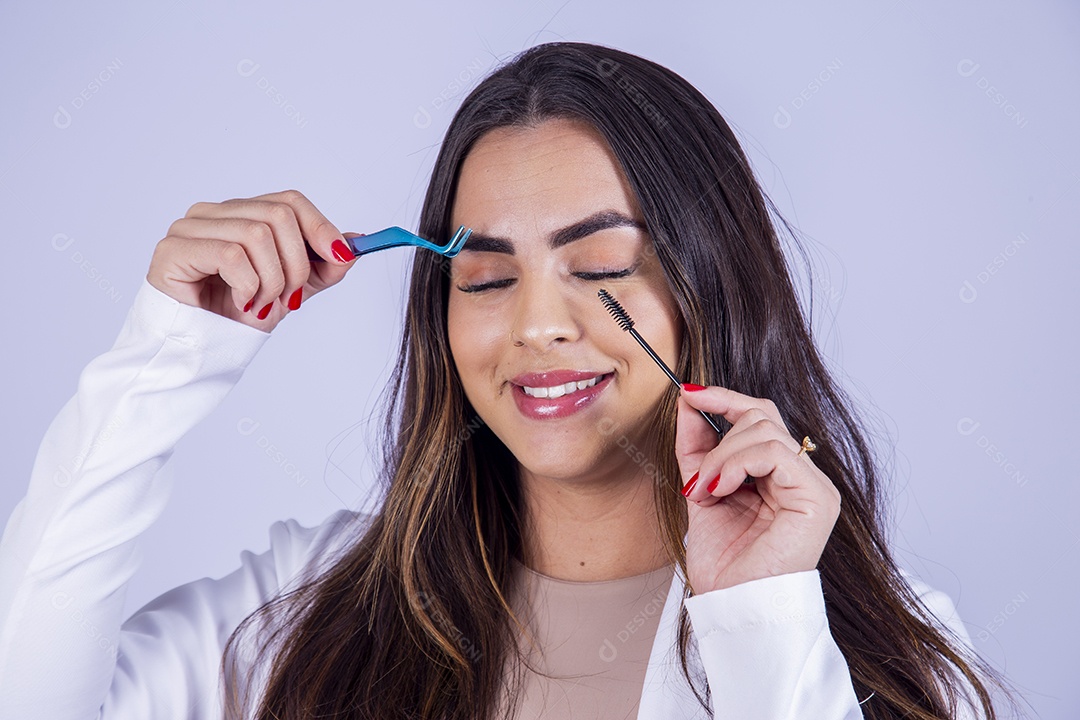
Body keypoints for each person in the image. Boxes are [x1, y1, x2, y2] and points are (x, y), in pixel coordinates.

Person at [0, 41, 1020, 719]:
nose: (535, 323)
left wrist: (763, 619)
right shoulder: (300, 615)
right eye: (486, 277)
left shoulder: (883, 652)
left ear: (711, 283)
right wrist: (167, 355)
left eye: (602, 265)